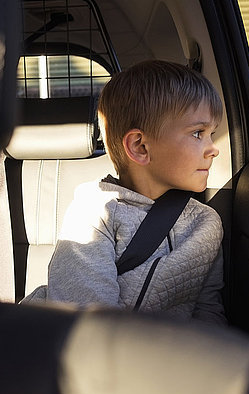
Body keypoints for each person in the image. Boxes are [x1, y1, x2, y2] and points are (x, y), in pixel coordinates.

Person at [22, 60, 227, 325]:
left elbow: (209, 315)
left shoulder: (206, 224)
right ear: (140, 146)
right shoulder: (95, 212)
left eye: (212, 133)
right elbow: (88, 323)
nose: (214, 148)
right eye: (198, 133)